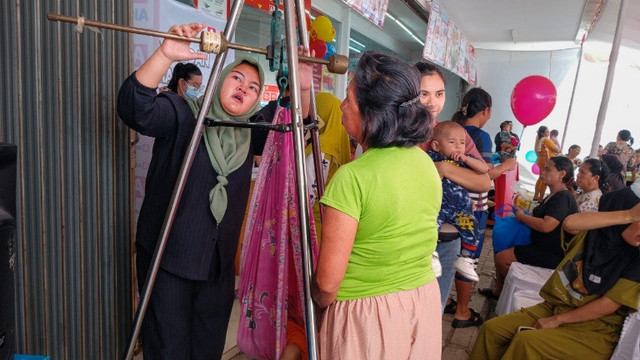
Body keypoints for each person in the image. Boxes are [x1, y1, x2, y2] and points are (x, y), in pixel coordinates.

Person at [117, 23, 312, 359]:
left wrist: (304, 88)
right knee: (168, 349)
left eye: (253, 86)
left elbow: (297, 130)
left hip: (216, 269)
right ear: (220, 80)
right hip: (168, 259)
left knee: (207, 348)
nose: (244, 87)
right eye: (237, 78)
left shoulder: (250, 131)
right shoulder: (184, 113)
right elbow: (136, 108)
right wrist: (165, 54)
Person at [312, 52, 442, 359]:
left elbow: (328, 284)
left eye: (349, 99)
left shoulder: (352, 178)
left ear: (371, 115)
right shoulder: (425, 164)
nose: (342, 106)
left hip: (366, 317)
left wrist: (315, 300)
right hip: (421, 302)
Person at [470, 185, 640, 360]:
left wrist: (558, 320)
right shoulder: (593, 236)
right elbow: (570, 224)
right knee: (491, 330)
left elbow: (608, 305)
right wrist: (629, 215)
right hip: (556, 307)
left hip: (595, 329)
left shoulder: (636, 258)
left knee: (526, 342)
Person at [414, 62, 491, 315]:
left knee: (433, 311)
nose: (432, 102)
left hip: (448, 240)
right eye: (424, 93)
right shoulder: (398, 134)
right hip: (412, 236)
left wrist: (445, 170)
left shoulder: (452, 133)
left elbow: (484, 182)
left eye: (439, 93)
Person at [446, 87, 517, 328]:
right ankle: (462, 311)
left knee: (445, 252)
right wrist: (507, 165)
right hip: (470, 209)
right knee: (468, 255)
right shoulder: (481, 136)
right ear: (485, 110)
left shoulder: (450, 129)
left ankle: (445, 300)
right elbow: (485, 175)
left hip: (447, 204)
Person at [479, 156, 578, 299]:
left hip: (551, 254)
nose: (542, 172)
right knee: (499, 248)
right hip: (539, 244)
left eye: (547, 169)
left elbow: (547, 226)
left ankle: (516, 292)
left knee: (502, 258)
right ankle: (499, 290)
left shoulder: (563, 197)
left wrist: (522, 217)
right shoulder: (554, 195)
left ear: (562, 174)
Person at [428, 121, 489, 282]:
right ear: (436, 145)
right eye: (452, 142)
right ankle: (429, 254)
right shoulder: (431, 156)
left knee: (471, 227)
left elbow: (484, 171)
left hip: (460, 208)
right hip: (439, 205)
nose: (458, 147)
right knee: (430, 225)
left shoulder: (465, 160)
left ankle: (466, 259)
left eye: (462, 143)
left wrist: (467, 160)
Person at [533, 126, 560, 202]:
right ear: (542, 133)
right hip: (546, 160)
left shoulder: (538, 139)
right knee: (545, 178)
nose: (548, 133)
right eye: (547, 132)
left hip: (540, 159)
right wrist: (557, 147)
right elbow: (557, 150)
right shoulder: (546, 140)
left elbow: (536, 151)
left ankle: (536, 195)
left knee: (540, 178)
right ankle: (541, 197)